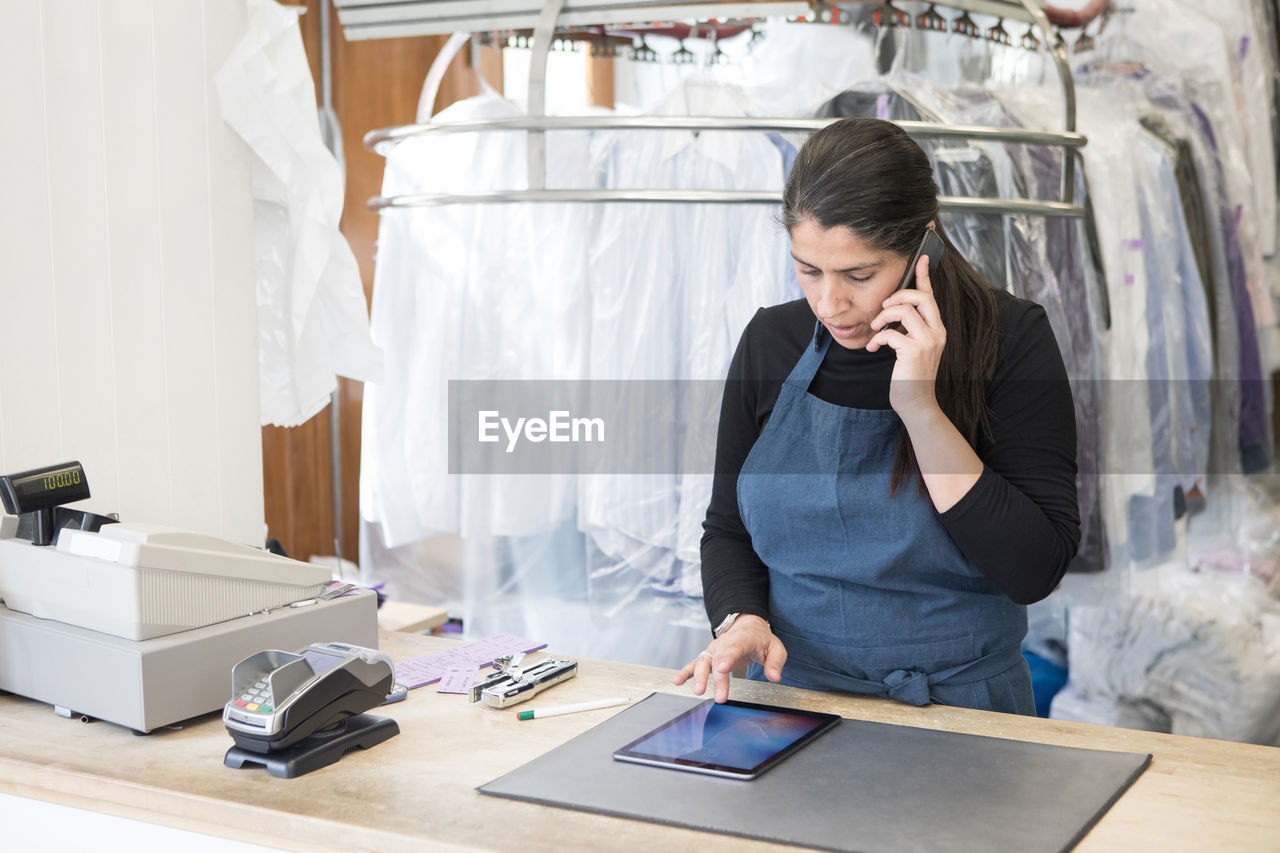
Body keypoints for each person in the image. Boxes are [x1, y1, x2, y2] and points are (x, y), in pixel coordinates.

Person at [673, 117, 1080, 715]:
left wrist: (921, 409)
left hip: (963, 711)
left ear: (926, 246)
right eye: (808, 269)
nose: (829, 304)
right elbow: (728, 528)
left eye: (859, 275)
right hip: (789, 704)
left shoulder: (1011, 339)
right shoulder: (772, 340)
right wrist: (741, 618)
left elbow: (1033, 570)